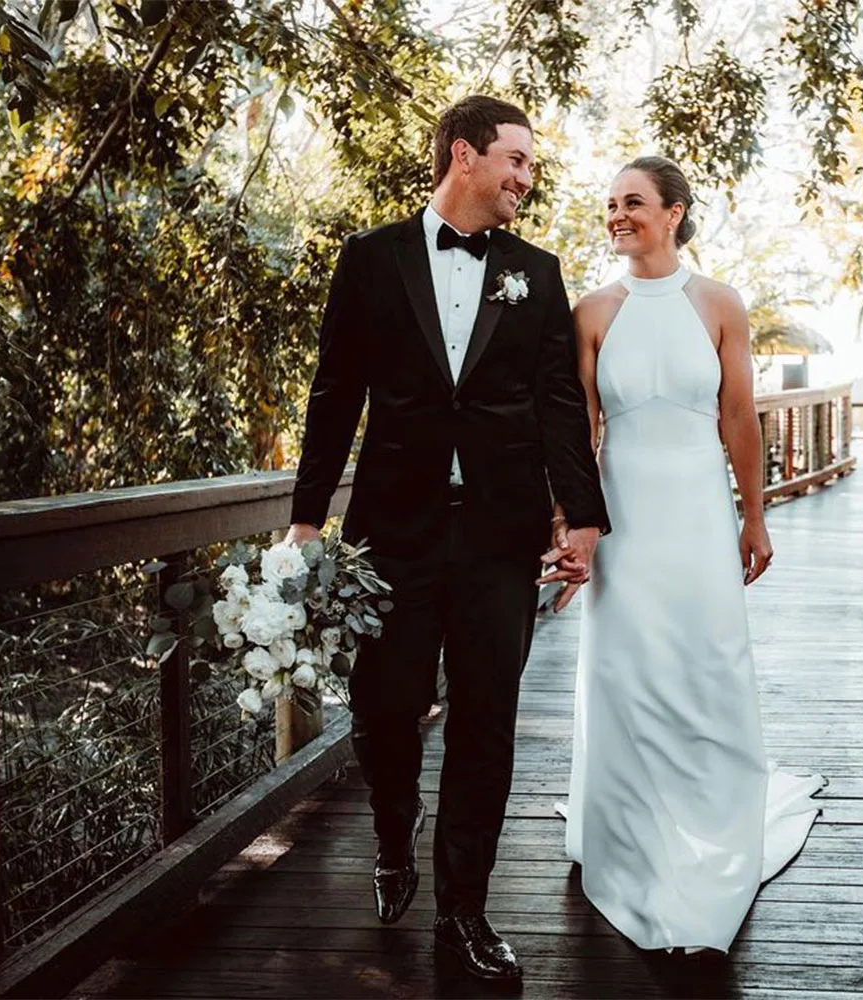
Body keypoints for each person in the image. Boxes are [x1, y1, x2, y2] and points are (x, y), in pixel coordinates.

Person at [284, 95, 608, 983]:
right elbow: (334, 390)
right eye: (516, 161)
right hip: (393, 534)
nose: (525, 180)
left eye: (531, 167)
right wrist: (309, 516)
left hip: (501, 539)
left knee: (487, 721)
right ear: (463, 155)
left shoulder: (536, 273)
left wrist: (581, 516)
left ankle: (464, 909)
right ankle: (395, 825)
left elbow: (557, 406)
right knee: (385, 707)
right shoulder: (371, 258)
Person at [558, 156, 825, 953]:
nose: (617, 215)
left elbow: (739, 417)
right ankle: (630, 828)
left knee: (707, 662)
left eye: (633, 202)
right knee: (627, 668)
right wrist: (569, 524)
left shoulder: (719, 304)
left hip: (701, 515)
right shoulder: (592, 312)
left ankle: (712, 821)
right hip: (625, 519)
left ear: (674, 212)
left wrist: (756, 517)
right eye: (609, 205)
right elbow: (581, 433)